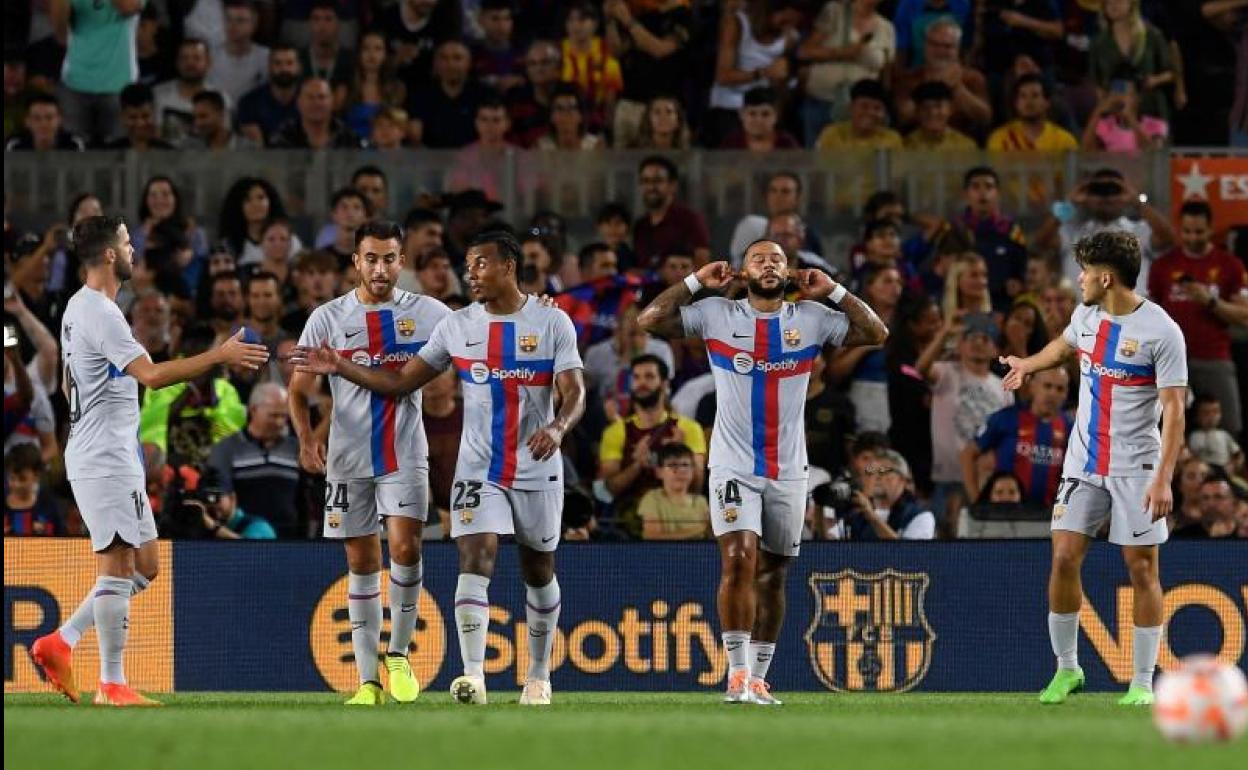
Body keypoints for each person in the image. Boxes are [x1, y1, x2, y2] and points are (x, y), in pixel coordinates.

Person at [292, 230, 586, 707]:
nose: (469, 273)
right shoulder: (457, 327)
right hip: (477, 469)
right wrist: (341, 367)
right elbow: (397, 383)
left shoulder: (552, 322)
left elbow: (575, 393)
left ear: (508, 267)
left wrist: (557, 428)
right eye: (466, 265)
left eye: (480, 265)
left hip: (536, 465)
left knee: (539, 568)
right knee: (475, 559)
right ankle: (474, 677)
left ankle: (537, 676)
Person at [637, 238, 887, 705]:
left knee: (773, 575)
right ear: (743, 271)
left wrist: (833, 291)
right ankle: (735, 675)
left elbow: (876, 333)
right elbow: (649, 320)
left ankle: (758, 677)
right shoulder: (716, 314)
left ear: (789, 271)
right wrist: (695, 281)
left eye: (777, 259)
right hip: (732, 465)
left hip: (789, 470)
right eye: (759, 259)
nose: (769, 265)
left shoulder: (810, 319)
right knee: (738, 559)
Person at [29, 215, 266, 707]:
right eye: (127, 242)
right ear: (111, 255)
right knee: (117, 567)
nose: (134, 249)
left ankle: (62, 641)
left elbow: (85, 383)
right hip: (103, 456)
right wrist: (218, 355)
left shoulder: (79, 307)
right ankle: (112, 683)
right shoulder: (102, 313)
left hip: (115, 452)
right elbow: (153, 376)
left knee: (146, 565)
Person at [999, 230, 1186, 706]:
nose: (1077, 278)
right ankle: (1067, 670)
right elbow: (1062, 348)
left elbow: (1174, 410)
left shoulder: (1162, 332)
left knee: (1141, 568)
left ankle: (1142, 682)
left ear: (1106, 277)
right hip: (1083, 461)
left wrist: (1163, 476)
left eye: (1084, 270)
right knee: (1063, 556)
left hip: (1136, 467)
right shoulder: (1086, 315)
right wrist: (1027, 364)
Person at [288, 220, 451, 706]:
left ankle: (397, 654)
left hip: (404, 453)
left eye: (389, 259)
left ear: (401, 261)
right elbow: (299, 391)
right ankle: (366, 683)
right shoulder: (327, 318)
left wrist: (535, 309)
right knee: (361, 563)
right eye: (371, 259)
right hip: (347, 457)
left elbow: (483, 325)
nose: (380, 269)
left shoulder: (429, 313)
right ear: (355, 262)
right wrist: (303, 439)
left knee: (405, 548)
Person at [1148, 200, 1246, 436]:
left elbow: (1244, 316)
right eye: (1187, 232)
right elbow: (1150, 315)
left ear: (1211, 229)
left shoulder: (1229, 264)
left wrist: (1210, 301)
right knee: (1168, 430)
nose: (1192, 238)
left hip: (1213, 357)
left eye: (1199, 232)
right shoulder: (1163, 266)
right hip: (1170, 361)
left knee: (1229, 428)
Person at [597, 353, 706, 534]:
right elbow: (610, 489)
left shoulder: (689, 429)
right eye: (637, 377)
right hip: (628, 522)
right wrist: (637, 465)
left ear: (664, 383)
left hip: (678, 517)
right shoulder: (616, 432)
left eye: (649, 377)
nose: (642, 383)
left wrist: (680, 453)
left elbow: (697, 487)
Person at [962, 367, 1071, 505]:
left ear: (1066, 393)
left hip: (1048, 516)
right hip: (1007, 513)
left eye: (1059, 389)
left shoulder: (1069, 427)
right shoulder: (1006, 418)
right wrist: (976, 501)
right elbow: (967, 454)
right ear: (1032, 386)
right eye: (1047, 386)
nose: (1052, 393)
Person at [50, 0, 142, 145]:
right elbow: (60, 33)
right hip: (75, 82)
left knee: (119, 152)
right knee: (73, 150)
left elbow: (128, 7)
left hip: (119, 83)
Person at [633, 156, 711, 270]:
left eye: (657, 181)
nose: (650, 187)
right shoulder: (640, 226)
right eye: (645, 181)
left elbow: (702, 267)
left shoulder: (690, 220)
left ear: (672, 185)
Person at [987, 73, 1078, 152]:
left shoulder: (1064, 140)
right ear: (1016, 103)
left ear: (1047, 103)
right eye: (1023, 96)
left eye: (1035, 95)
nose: (1028, 102)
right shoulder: (999, 138)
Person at [637, 443, 710, 540]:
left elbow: (711, 534)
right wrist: (700, 529)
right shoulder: (652, 498)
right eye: (672, 465)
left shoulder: (701, 502)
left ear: (693, 470)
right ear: (659, 472)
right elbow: (652, 536)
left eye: (685, 465)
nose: (680, 470)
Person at [237, 44, 303, 145]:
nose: (284, 69)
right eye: (278, 63)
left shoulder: (312, 99)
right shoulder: (249, 102)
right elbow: (257, 149)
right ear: (269, 66)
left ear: (298, 67)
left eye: (289, 63)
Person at [814, 78, 903, 151]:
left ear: (884, 113)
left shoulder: (892, 139)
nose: (870, 113)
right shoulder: (831, 134)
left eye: (877, 108)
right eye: (864, 106)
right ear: (851, 108)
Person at [4, 443, 66, 535]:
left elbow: (61, 537)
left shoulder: (48, 504)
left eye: (22, 479)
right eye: (12, 478)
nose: (16, 484)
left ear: (36, 476)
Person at [1186, 394, 1243, 474]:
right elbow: (1189, 455)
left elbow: (1238, 454)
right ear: (1196, 416)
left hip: (1224, 469)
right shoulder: (1193, 436)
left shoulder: (1224, 435)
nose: (1212, 417)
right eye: (1206, 413)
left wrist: (1233, 465)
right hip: (1203, 471)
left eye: (1215, 412)